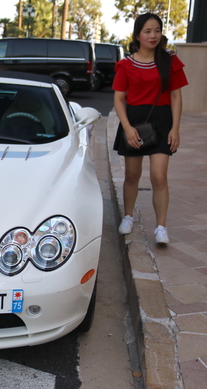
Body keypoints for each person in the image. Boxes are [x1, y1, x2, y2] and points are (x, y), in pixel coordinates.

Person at [113, 13, 188, 244]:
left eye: (157, 30)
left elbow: (176, 96)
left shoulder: (170, 61)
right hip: (134, 121)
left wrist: (175, 128)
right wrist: (127, 128)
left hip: (163, 120)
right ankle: (128, 216)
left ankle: (161, 228)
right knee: (132, 175)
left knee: (159, 176)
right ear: (138, 35)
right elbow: (118, 99)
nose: (153, 35)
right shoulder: (126, 64)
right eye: (147, 31)